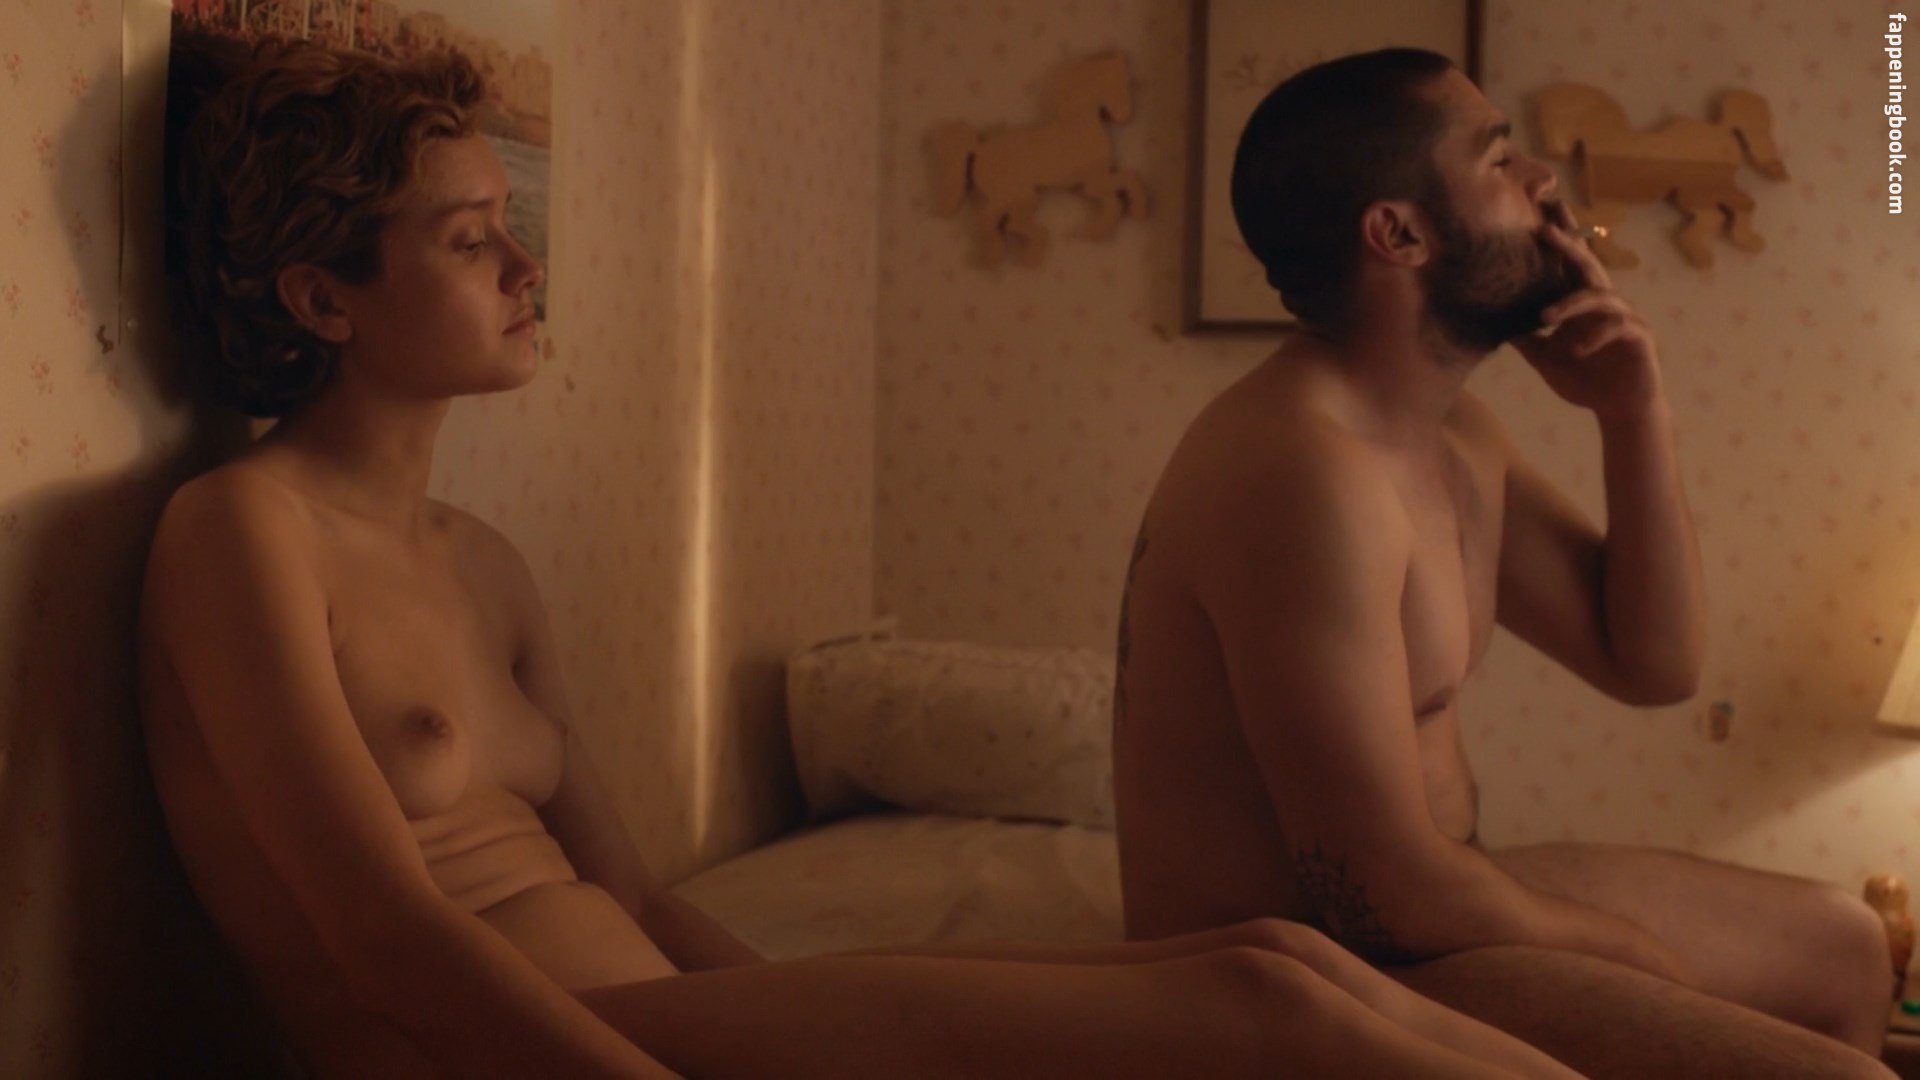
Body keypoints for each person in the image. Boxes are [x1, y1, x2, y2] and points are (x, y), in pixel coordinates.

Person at [137, 30, 1582, 1079]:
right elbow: (382, 943)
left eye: (513, 226)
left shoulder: (482, 560)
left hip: (652, 1016)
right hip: (517, 1049)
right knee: (1268, 1018)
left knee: (1276, 957)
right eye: (471, 242)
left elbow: (636, 901)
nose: (529, 268)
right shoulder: (240, 532)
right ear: (321, 298)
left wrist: (838, 1008)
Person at [1111, 46, 1895, 1079]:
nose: (1543, 180)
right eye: (1497, 158)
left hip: (1430, 913)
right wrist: (1642, 961)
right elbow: (1385, 894)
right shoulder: (1299, 472)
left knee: (1847, 944)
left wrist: (1633, 415)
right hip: (1303, 967)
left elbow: (1653, 664)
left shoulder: (1455, 433)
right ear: (1399, 233)